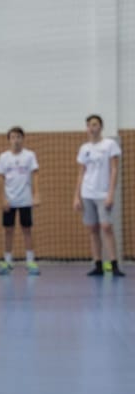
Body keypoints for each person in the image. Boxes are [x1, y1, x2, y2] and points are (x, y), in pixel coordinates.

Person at [73, 115, 124, 277]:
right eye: (89, 125)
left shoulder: (110, 145)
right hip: (87, 193)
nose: (92, 128)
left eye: (95, 124)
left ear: (101, 127)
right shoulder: (84, 148)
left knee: (106, 227)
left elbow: (114, 169)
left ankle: (114, 264)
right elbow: (81, 173)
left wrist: (111, 193)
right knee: (93, 228)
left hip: (103, 193)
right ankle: (98, 264)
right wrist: (76, 196)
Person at [0, 126, 40, 276]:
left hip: (25, 200)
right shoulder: (3, 157)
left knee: (27, 230)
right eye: (13, 137)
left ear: (23, 139)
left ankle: (30, 261)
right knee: (8, 230)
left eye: (18, 137)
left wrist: (36, 194)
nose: (16, 140)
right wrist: (3, 199)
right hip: (9, 200)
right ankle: (8, 261)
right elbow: (0, 179)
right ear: (9, 140)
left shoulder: (30, 155)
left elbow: (35, 175)